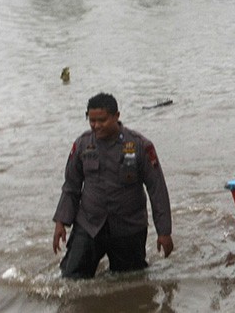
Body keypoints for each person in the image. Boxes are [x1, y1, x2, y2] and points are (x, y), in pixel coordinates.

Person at [52, 93, 173, 278]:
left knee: (130, 281)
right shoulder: (82, 144)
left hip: (128, 227)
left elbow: (157, 189)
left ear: (116, 116)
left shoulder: (140, 146)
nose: (96, 125)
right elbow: (71, 186)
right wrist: (61, 222)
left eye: (101, 120)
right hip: (89, 225)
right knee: (71, 278)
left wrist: (164, 232)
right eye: (91, 120)